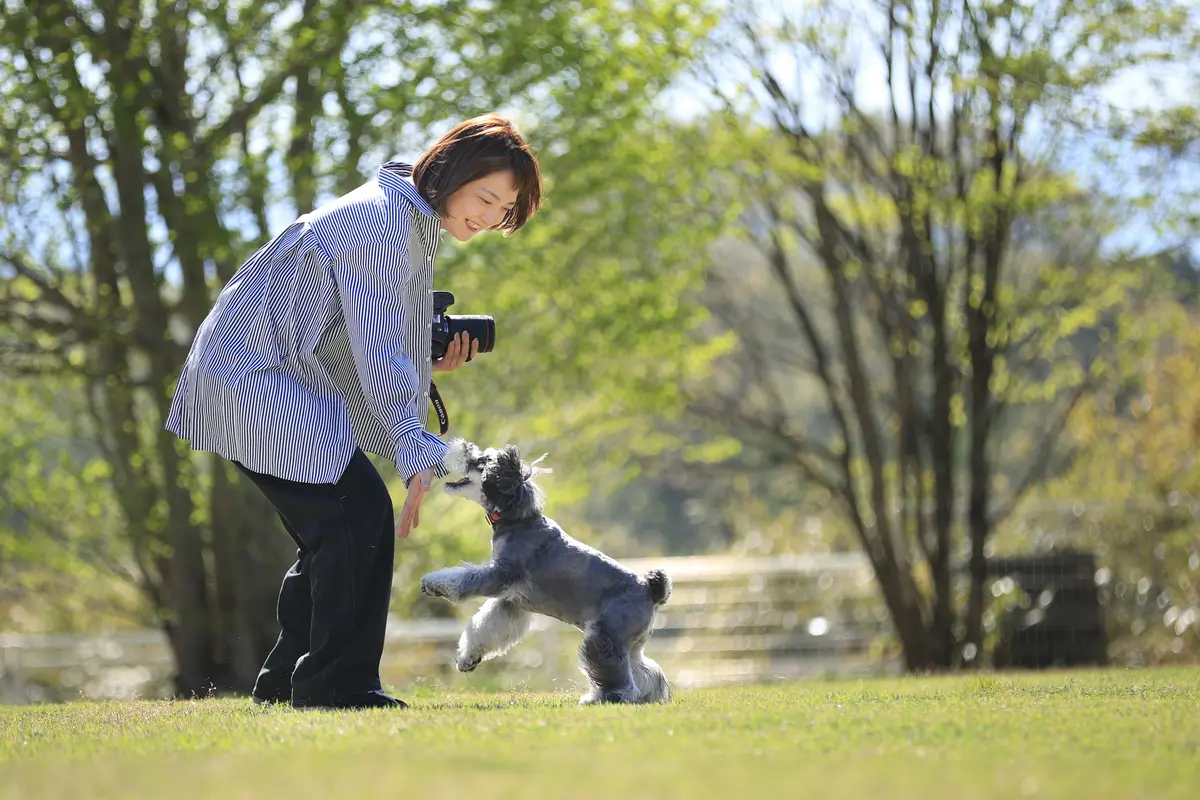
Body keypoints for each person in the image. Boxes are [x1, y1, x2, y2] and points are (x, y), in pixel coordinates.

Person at [165, 114, 542, 710]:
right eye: (485, 197)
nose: (491, 216)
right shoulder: (382, 223)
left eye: (504, 209)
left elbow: (363, 342)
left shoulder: (407, 217)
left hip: (261, 379)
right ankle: (336, 686)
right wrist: (416, 448)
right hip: (250, 381)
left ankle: (289, 682)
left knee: (340, 529)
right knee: (355, 516)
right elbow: (379, 350)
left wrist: (424, 377)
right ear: (450, 171)